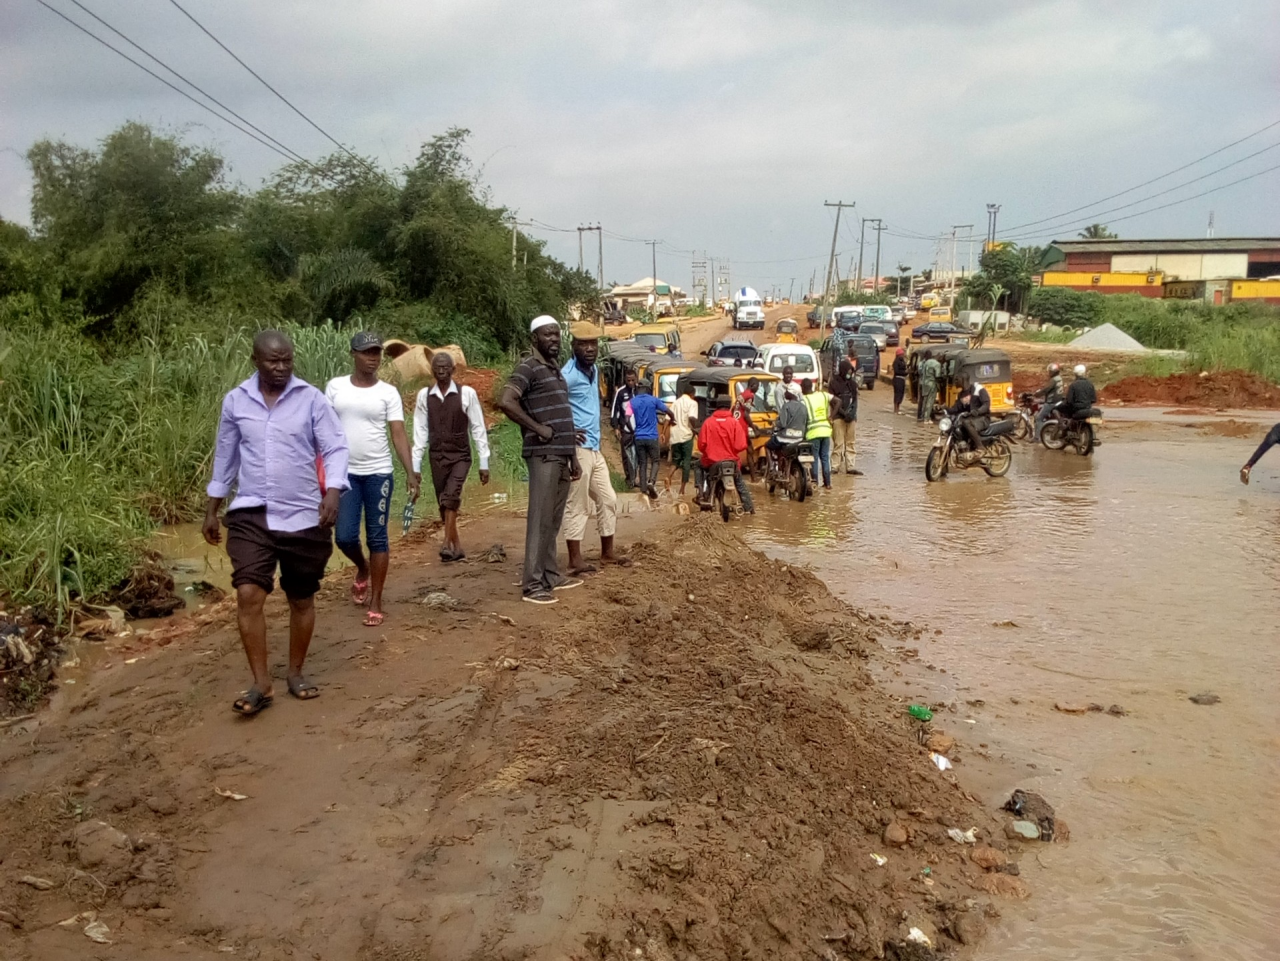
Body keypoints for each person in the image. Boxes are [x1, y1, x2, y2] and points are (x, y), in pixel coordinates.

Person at [203, 330, 350, 716]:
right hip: (252, 512)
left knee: (301, 596)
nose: (281, 367)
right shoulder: (236, 401)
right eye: (273, 361)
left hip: (304, 513)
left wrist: (333, 490)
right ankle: (260, 683)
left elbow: (334, 447)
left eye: (287, 360)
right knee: (249, 593)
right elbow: (226, 456)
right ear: (255, 360)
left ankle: (296, 672)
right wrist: (212, 508)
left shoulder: (311, 400)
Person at [325, 332, 418, 627]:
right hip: (344, 474)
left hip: (379, 472)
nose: (373, 358)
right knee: (345, 536)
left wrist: (411, 472)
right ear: (353, 354)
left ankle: (376, 600)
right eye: (366, 352)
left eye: (376, 353)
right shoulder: (335, 387)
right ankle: (362, 568)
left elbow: (398, 433)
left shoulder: (387, 392)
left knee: (377, 536)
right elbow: (323, 429)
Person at [498, 316, 583, 605]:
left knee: (552, 520)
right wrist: (537, 428)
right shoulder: (528, 367)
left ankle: (550, 574)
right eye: (548, 335)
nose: (555, 340)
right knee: (539, 520)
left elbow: (564, 414)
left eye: (557, 335)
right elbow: (507, 400)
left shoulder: (555, 369)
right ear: (534, 338)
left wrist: (573, 457)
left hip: (561, 453)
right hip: (543, 453)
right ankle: (532, 584)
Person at [411, 351, 491, 565]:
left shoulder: (467, 394)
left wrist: (484, 462)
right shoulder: (424, 396)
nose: (441, 370)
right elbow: (419, 431)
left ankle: (447, 544)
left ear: (453, 370)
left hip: (460, 456)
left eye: (446, 367)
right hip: (437, 456)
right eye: (437, 367)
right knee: (443, 503)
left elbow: (478, 428)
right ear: (432, 370)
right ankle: (457, 548)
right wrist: (415, 466)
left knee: (450, 495)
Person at [561, 322, 626, 574]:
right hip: (577, 449)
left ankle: (607, 552)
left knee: (608, 498)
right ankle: (574, 559)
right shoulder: (566, 377)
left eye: (593, 344)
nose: (589, 349)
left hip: (595, 447)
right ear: (573, 346)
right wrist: (566, 434)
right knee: (577, 503)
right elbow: (553, 405)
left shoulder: (594, 370)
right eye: (583, 344)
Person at [696, 396, 755, 514]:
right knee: (740, 484)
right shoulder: (734, 422)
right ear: (729, 407)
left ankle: (700, 493)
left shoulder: (708, 422)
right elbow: (741, 445)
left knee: (698, 466)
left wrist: (710, 452)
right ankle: (750, 509)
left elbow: (701, 445)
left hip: (712, 463)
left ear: (717, 407)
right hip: (731, 463)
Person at [629, 378, 671, 499]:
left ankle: (643, 490)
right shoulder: (654, 400)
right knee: (655, 461)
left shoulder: (632, 402)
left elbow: (626, 418)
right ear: (648, 388)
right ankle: (651, 482)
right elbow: (668, 411)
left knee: (642, 463)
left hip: (638, 437)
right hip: (652, 436)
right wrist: (673, 419)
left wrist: (633, 431)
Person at [667, 381, 700, 497]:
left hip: (675, 436)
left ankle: (668, 477)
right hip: (686, 436)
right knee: (686, 462)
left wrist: (663, 433)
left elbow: (668, 418)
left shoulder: (675, 403)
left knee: (676, 461)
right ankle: (682, 489)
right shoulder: (693, 403)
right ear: (692, 394)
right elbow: (692, 417)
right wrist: (696, 429)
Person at [828, 357, 860, 475]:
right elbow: (832, 401)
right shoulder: (833, 383)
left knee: (851, 442)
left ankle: (850, 466)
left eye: (851, 372)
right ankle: (835, 466)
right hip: (838, 418)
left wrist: (852, 413)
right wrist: (843, 413)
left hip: (851, 419)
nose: (849, 374)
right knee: (838, 443)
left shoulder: (852, 384)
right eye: (848, 372)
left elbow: (855, 400)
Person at [802, 378, 834, 489]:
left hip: (813, 433)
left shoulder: (804, 399)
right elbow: (838, 401)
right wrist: (831, 416)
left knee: (814, 459)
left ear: (803, 388)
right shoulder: (823, 395)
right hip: (826, 431)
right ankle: (828, 484)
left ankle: (814, 483)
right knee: (825, 457)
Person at [609, 369, 639, 488]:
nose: (631, 382)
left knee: (638, 453)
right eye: (628, 380)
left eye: (633, 380)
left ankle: (636, 477)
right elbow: (614, 410)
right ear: (625, 380)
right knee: (627, 454)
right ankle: (629, 478)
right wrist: (616, 427)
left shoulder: (640, 391)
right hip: (625, 429)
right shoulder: (621, 392)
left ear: (636, 379)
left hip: (639, 429)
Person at [947, 380, 991, 455]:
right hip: (971, 418)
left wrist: (978, 411)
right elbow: (956, 408)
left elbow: (986, 404)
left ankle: (980, 447)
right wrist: (944, 408)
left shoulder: (978, 389)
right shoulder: (961, 394)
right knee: (957, 427)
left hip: (983, 418)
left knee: (966, 423)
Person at [765, 382, 809, 455]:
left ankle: (771, 466)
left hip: (785, 438)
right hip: (799, 438)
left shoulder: (786, 406)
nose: (785, 393)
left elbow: (783, 424)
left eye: (787, 391)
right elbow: (805, 422)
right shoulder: (803, 407)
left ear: (792, 393)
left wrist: (775, 423)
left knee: (767, 446)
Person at [1033, 363, 1064, 440]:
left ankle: (1037, 438)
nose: (1049, 373)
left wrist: (1037, 394)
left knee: (1039, 418)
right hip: (1058, 401)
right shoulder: (1059, 378)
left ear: (1052, 372)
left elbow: (1046, 389)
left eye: (1049, 371)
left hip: (1051, 402)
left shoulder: (1053, 380)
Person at [917, 350, 941, 422]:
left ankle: (922, 416)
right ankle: (927, 418)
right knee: (930, 401)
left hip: (924, 383)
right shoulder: (937, 364)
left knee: (924, 400)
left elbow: (920, 372)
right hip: (932, 383)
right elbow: (937, 375)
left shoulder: (924, 363)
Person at [892, 348, 908, 415]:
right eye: (902, 354)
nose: (903, 355)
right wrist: (905, 372)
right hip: (898, 379)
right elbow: (897, 371)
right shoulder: (896, 362)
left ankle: (898, 408)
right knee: (897, 394)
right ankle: (896, 409)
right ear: (899, 355)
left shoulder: (902, 361)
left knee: (901, 394)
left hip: (902, 379)